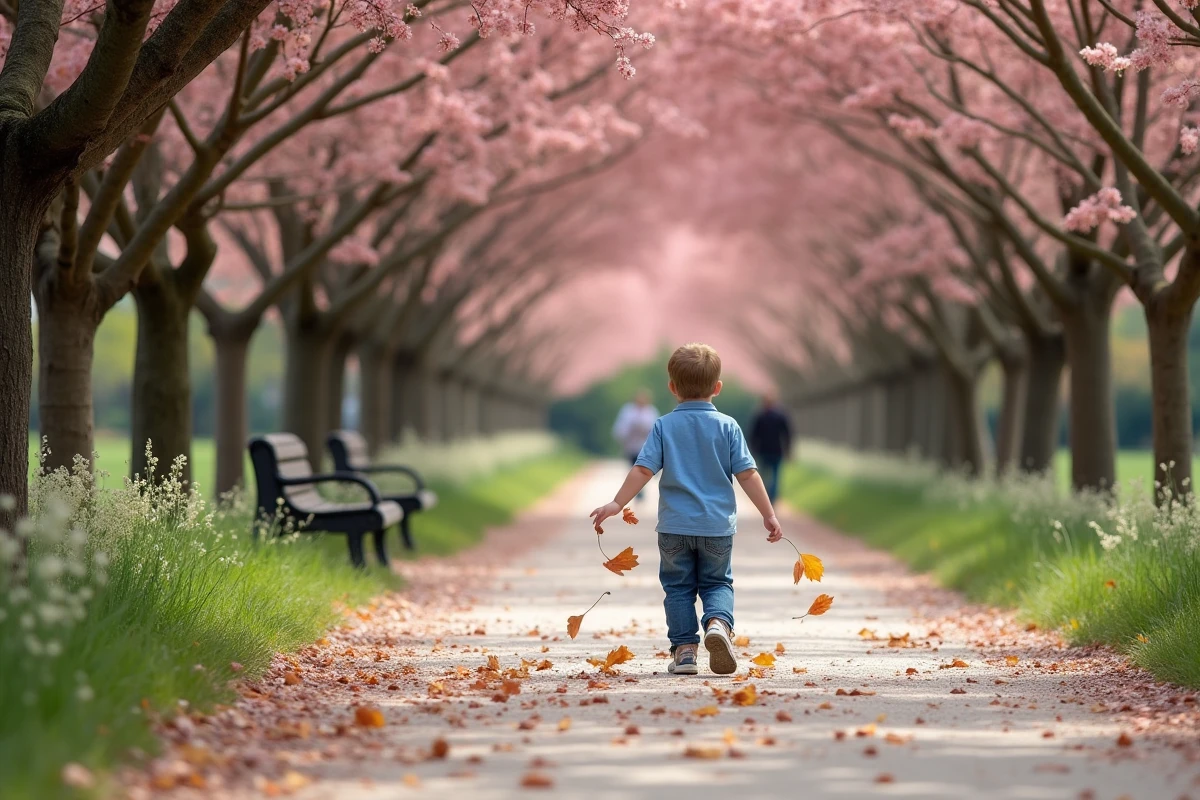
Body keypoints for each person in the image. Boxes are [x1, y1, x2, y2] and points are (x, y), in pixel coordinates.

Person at [590, 343, 784, 676]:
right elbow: (748, 474)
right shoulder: (728, 426)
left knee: (678, 588)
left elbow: (643, 469)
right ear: (717, 387)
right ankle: (718, 624)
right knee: (717, 583)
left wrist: (617, 503)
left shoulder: (664, 426)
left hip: (674, 527)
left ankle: (684, 652)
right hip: (716, 527)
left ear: (672, 387)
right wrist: (769, 514)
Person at [611, 388, 658, 500]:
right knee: (634, 468)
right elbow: (621, 428)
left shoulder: (651, 411)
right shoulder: (628, 411)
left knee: (643, 468)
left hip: (645, 446)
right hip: (631, 446)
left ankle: (640, 488)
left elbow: (655, 428)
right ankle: (637, 489)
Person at [748, 391, 792, 503]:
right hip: (777, 451)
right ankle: (772, 497)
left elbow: (753, 435)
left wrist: (752, 451)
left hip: (763, 451)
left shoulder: (760, 416)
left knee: (763, 475)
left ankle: (765, 496)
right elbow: (787, 434)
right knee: (775, 476)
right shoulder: (781, 416)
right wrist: (788, 450)